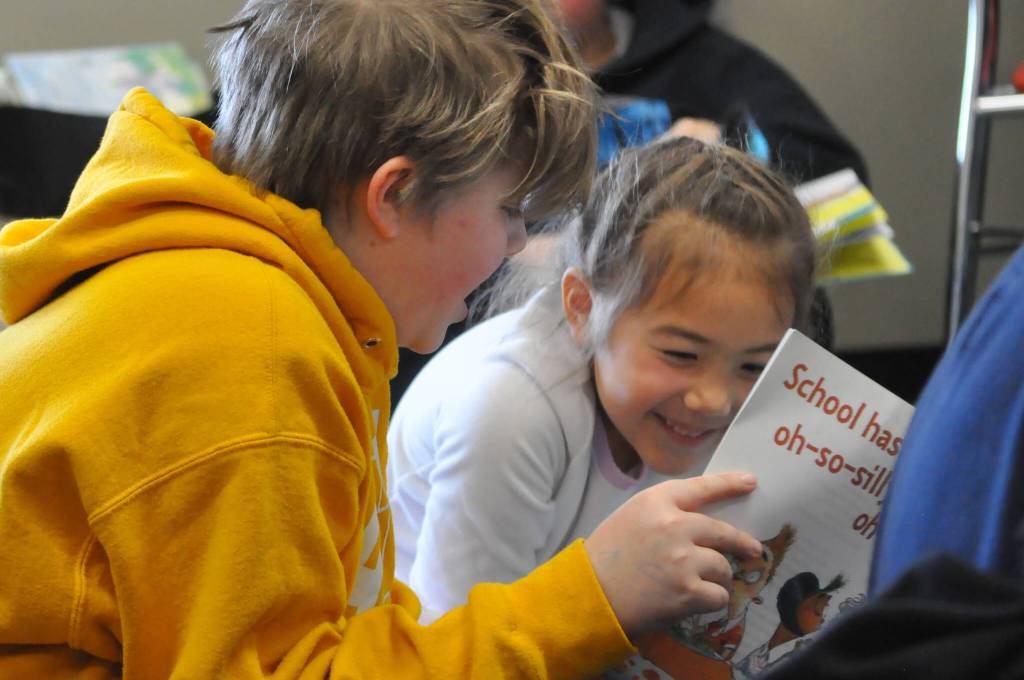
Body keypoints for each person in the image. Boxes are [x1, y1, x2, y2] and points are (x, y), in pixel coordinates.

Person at [0, 2, 765, 678]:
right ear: (393, 196)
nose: (513, 246)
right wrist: (589, 598)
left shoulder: (252, 294)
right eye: (511, 210)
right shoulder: (253, 353)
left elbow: (341, 626)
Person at [387, 138, 817, 675]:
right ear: (582, 308)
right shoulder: (509, 410)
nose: (713, 399)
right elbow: (459, 656)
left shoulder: (699, 408)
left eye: (755, 365)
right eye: (680, 354)